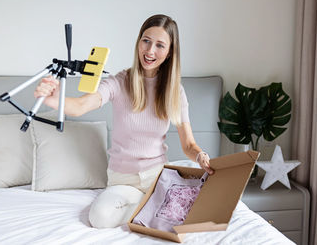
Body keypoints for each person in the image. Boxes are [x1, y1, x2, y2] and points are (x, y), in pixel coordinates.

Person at [34, 14, 214, 228]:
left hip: (157, 178)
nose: (150, 51)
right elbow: (82, 105)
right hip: (122, 179)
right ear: (138, 42)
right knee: (99, 218)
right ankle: (154, 208)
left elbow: (189, 145)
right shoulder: (119, 82)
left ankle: (157, 205)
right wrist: (54, 99)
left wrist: (201, 156)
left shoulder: (175, 92)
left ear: (169, 52)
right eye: (146, 41)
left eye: (159, 45)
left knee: (202, 210)